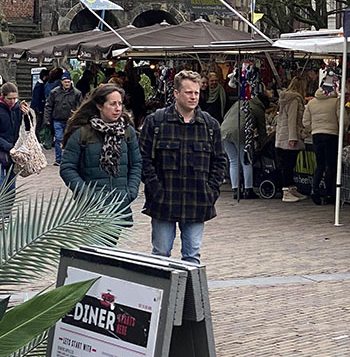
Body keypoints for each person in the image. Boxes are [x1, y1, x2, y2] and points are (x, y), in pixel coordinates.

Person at [138, 70, 226, 264]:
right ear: (176, 93)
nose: (193, 97)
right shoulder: (156, 122)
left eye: (196, 92)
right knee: (160, 255)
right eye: (188, 92)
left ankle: (188, 287)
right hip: (164, 200)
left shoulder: (210, 125)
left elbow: (220, 161)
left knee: (192, 256)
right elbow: (143, 160)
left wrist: (211, 191)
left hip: (197, 200)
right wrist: (155, 189)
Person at [59, 84, 142, 227]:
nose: (118, 108)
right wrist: (87, 195)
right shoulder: (82, 133)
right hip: (92, 207)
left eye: (120, 103)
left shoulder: (127, 132)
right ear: (99, 106)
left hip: (119, 204)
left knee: (113, 242)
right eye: (112, 104)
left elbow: (136, 163)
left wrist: (130, 192)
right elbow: (67, 168)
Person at [220, 93, 268, 200]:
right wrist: (263, 144)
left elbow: (226, 116)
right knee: (246, 161)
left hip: (224, 131)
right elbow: (262, 131)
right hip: (241, 134)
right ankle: (248, 189)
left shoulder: (239, 103)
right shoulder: (259, 109)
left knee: (233, 161)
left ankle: (236, 190)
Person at [303, 83, 340, 205]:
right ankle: (329, 194)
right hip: (331, 135)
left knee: (320, 164)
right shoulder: (336, 102)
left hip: (316, 135)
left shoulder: (311, 103)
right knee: (330, 165)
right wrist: (341, 129)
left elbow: (305, 122)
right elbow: (343, 119)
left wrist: (313, 129)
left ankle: (314, 190)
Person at [275, 77, 308, 203]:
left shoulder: (285, 99)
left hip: (282, 136)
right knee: (288, 164)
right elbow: (292, 119)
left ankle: (291, 188)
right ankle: (286, 191)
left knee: (288, 164)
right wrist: (293, 137)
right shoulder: (294, 100)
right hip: (289, 137)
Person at [44, 71, 82, 166]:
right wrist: (47, 119)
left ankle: (68, 158)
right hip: (57, 119)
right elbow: (49, 106)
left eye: (68, 82)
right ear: (61, 82)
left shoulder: (77, 93)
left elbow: (80, 107)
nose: (67, 84)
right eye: (65, 82)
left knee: (70, 140)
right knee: (58, 138)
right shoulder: (54, 92)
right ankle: (58, 159)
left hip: (70, 121)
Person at [0, 82, 30, 188]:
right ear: (2, 96)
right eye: (10, 99)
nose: (12, 101)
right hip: (3, 149)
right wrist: (9, 147)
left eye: (15, 98)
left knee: (11, 186)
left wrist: (26, 115)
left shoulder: (18, 107)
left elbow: (27, 129)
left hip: (14, 152)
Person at [31, 69, 47, 136]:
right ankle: (37, 135)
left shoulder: (40, 84)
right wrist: (38, 109)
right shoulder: (39, 85)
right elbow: (36, 98)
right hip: (39, 107)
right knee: (39, 122)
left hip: (39, 106)